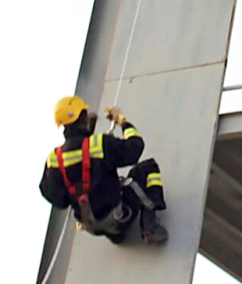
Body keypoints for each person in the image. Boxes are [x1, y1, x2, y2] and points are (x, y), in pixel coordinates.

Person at [40, 96, 168, 245]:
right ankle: (149, 227)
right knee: (149, 168)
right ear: (82, 117)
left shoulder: (55, 159)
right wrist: (123, 122)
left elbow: (59, 201)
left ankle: (116, 235)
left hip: (93, 227)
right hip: (120, 215)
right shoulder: (99, 144)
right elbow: (135, 147)